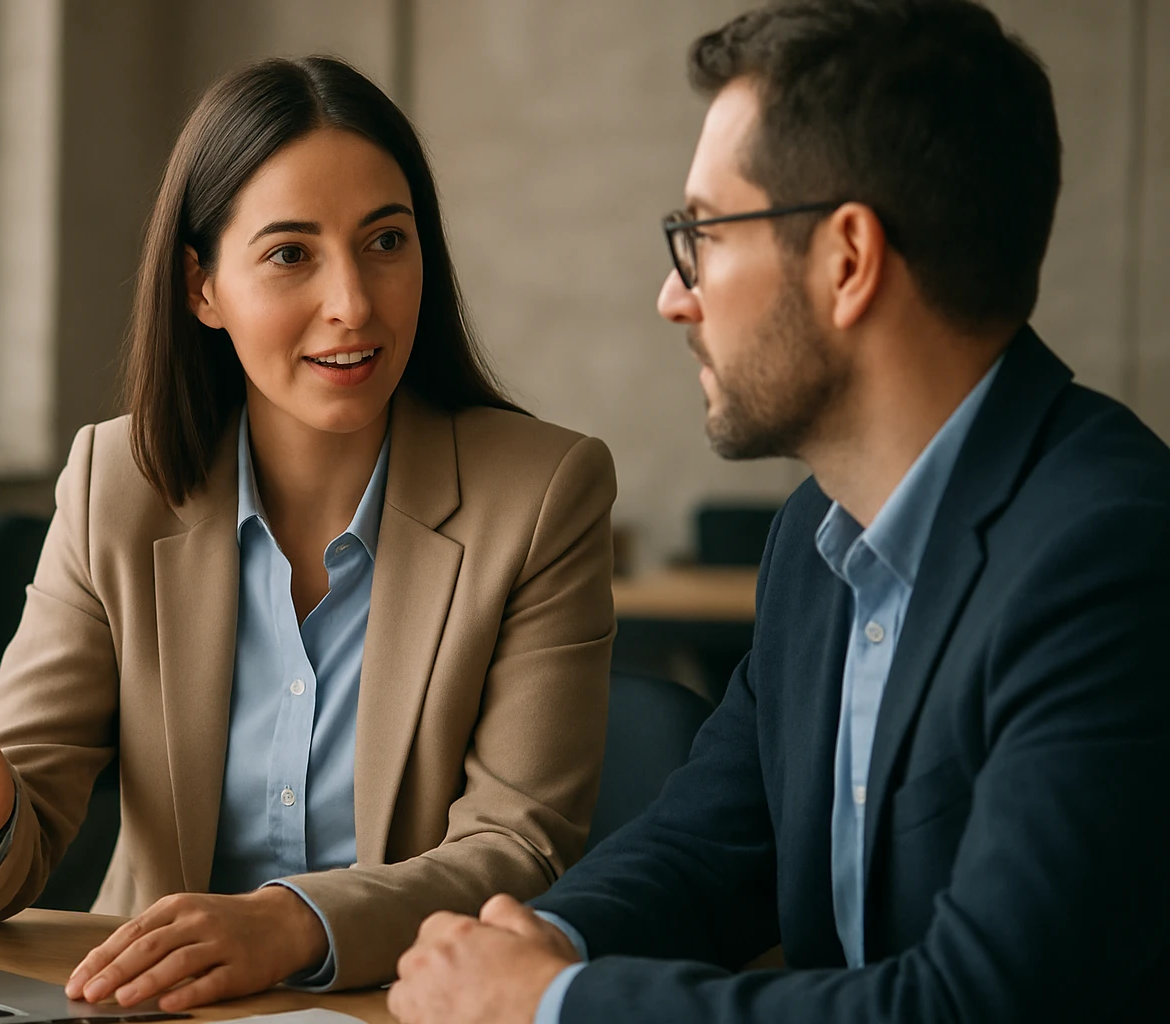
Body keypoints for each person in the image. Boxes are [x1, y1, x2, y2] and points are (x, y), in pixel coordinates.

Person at [387, 2, 1170, 1022]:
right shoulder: (814, 539)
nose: (675, 296)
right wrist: (531, 945)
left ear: (847, 261)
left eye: (701, 235)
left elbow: (977, 1004)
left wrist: (553, 1004)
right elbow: (704, 850)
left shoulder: (1110, 552)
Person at [0, 56, 617, 1014]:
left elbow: (520, 848)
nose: (353, 302)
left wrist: (291, 923)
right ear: (202, 286)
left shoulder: (543, 493)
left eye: (386, 241)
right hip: (145, 1003)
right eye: (291, 254)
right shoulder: (115, 482)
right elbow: (17, 832)